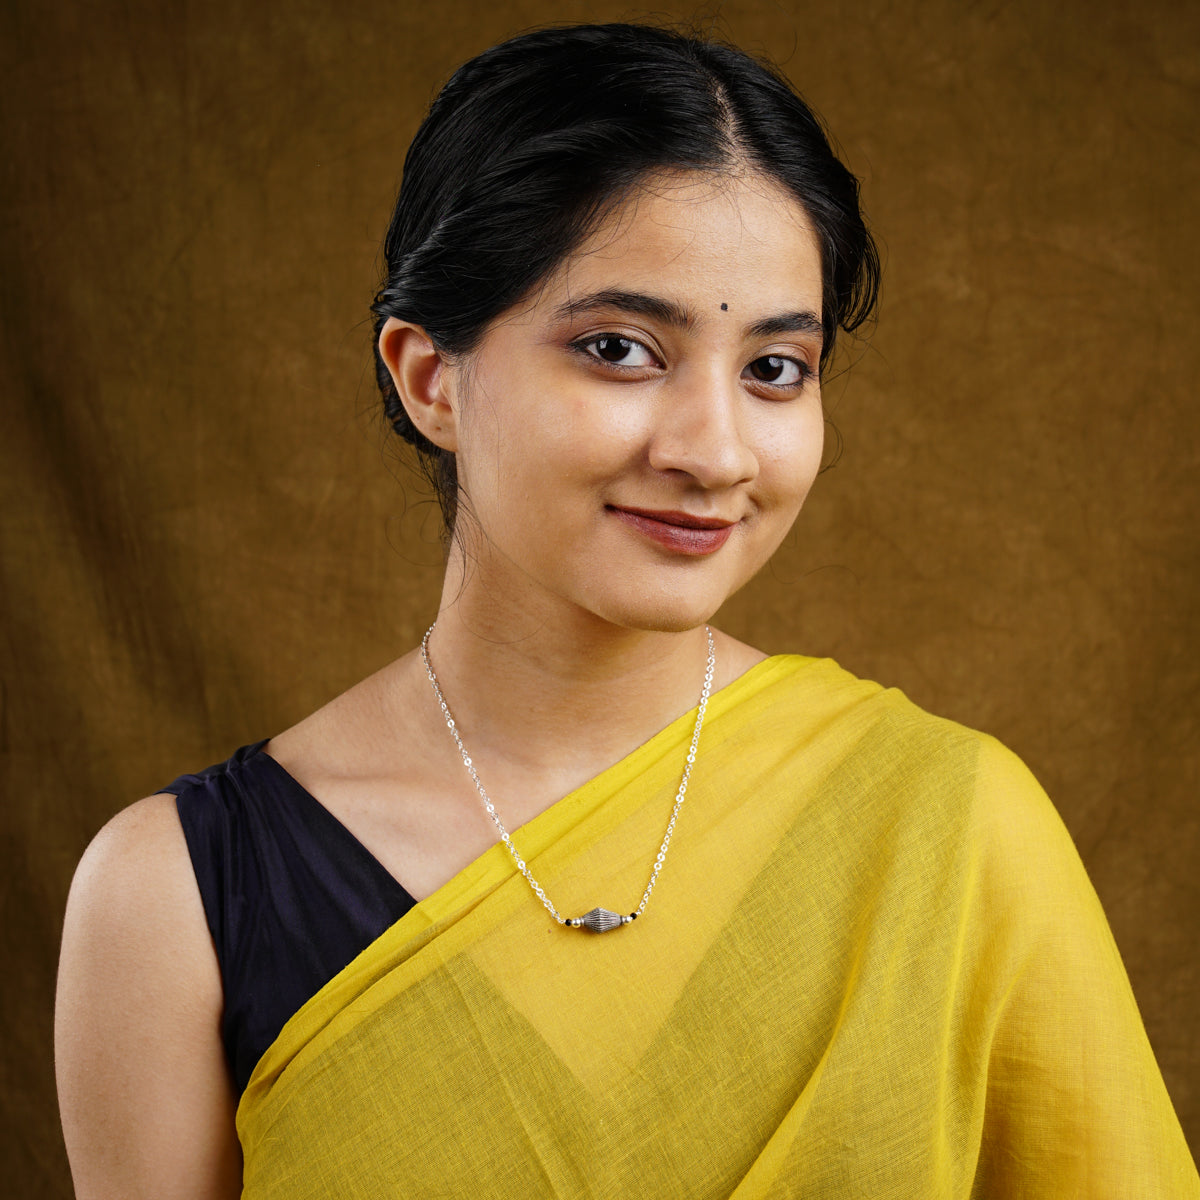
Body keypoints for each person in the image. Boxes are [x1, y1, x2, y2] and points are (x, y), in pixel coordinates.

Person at [54, 22, 1198, 1199]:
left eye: (774, 369)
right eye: (620, 348)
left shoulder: (952, 829)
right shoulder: (179, 896)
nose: (714, 452)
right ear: (429, 377)